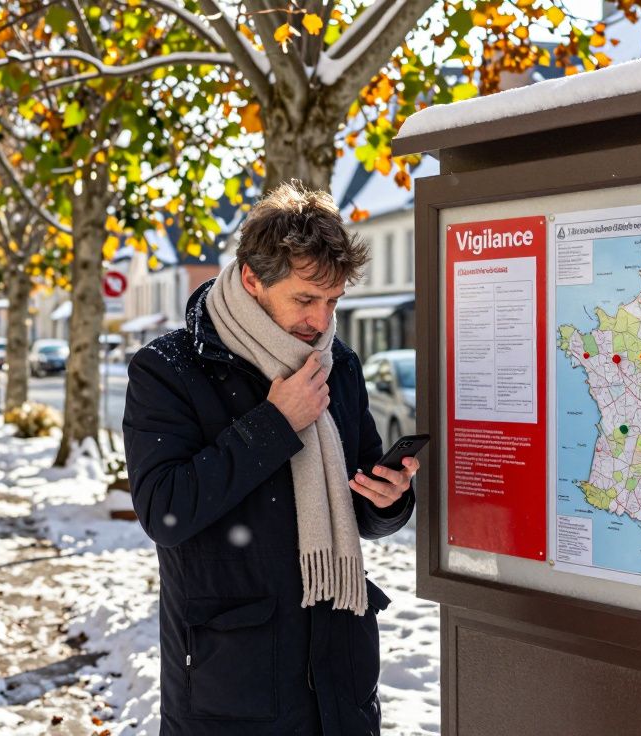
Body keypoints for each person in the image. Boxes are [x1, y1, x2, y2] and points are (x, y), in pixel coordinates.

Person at [123, 181, 418, 735]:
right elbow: (164, 511)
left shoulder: (340, 365)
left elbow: (359, 497)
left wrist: (389, 500)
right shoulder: (168, 369)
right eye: (305, 299)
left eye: (332, 301)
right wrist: (275, 423)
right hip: (231, 680)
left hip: (339, 676)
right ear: (253, 279)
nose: (320, 319)